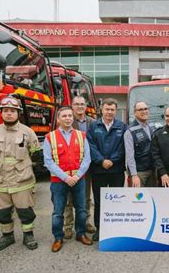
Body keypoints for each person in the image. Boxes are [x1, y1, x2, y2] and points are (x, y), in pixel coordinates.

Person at [0, 96, 41, 251]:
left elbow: (35, 153)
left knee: (26, 211)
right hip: (0, 179)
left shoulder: (28, 132)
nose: (9, 114)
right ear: (1, 113)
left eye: (13, 111)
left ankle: (28, 235)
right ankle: (7, 236)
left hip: (22, 180)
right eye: (6, 111)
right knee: (2, 212)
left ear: (19, 113)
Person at [44, 106, 92, 252]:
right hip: (59, 182)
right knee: (58, 212)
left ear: (73, 118)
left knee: (82, 209)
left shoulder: (81, 135)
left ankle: (81, 233)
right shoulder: (49, 137)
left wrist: (77, 176)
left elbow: (87, 158)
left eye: (70, 116)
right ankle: (58, 237)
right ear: (58, 119)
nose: (68, 118)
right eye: (64, 116)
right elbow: (48, 161)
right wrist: (65, 177)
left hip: (79, 180)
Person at [87, 98, 127, 242]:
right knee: (99, 201)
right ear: (101, 110)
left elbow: (124, 147)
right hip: (99, 170)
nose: (109, 112)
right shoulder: (93, 126)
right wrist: (101, 160)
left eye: (112, 109)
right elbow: (90, 146)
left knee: (117, 201)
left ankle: (115, 228)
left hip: (116, 170)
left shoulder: (122, 127)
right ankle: (100, 228)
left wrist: (112, 160)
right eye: (107, 109)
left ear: (115, 111)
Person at [63, 96, 96, 240]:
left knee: (86, 197)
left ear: (86, 105)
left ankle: (85, 222)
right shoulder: (67, 120)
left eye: (82, 104)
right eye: (76, 104)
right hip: (69, 166)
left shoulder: (93, 123)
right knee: (68, 199)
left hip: (87, 166)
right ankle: (68, 226)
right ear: (72, 106)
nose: (80, 106)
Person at [124, 101, 157, 187]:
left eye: (146, 109)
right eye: (140, 109)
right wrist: (134, 175)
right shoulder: (130, 131)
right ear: (135, 112)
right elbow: (129, 156)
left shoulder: (151, 127)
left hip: (152, 171)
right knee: (138, 199)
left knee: (152, 199)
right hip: (139, 173)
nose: (144, 111)